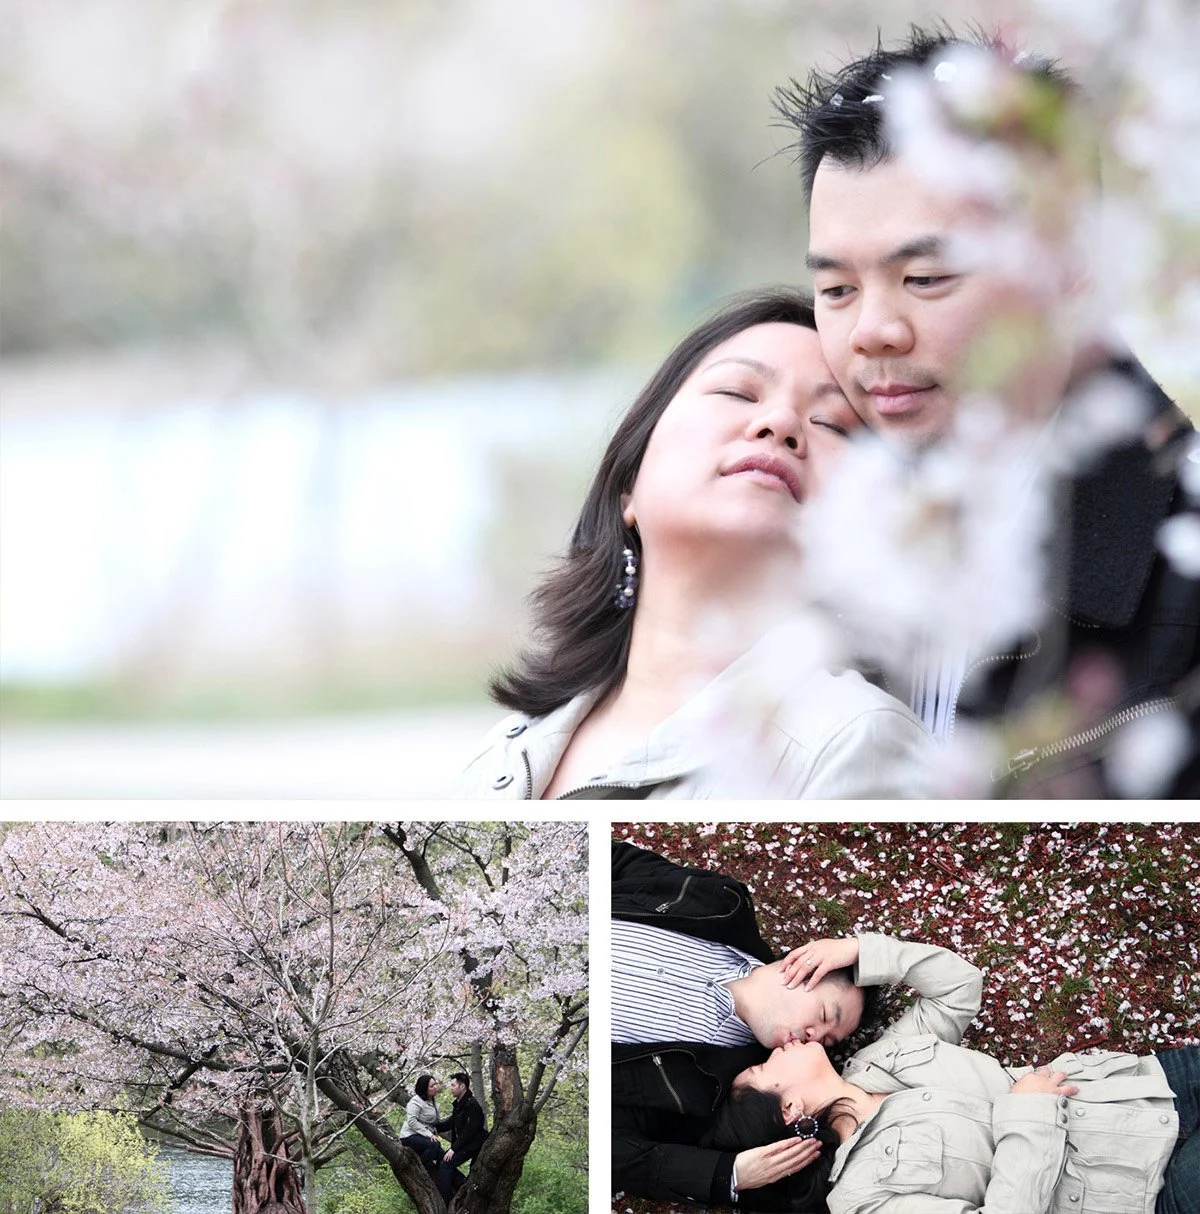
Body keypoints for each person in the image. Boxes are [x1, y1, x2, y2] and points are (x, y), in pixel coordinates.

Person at [772, 26, 1200, 795]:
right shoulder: (804, 524)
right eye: (836, 289)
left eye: (926, 278)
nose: (872, 330)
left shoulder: (1183, 560)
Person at [459, 288, 932, 798]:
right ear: (629, 483)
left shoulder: (856, 739)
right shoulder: (502, 759)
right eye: (737, 392)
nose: (780, 424)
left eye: (831, 423)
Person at [706, 934, 1198, 1214]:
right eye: (763, 1065)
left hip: (1144, 1089)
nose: (776, 1048)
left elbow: (959, 988)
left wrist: (860, 951)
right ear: (790, 1108)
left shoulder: (879, 1059)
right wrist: (1030, 1114)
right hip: (1148, 1184)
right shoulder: (860, 1198)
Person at [611, 842, 905, 1208]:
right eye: (825, 1016)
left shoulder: (718, 1091)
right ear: (805, 962)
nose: (815, 1039)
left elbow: (616, 1153)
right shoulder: (720, 902)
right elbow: (614, 859)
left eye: (828, 1041)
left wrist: (727, 1175)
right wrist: (860, 950)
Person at [434, 1071, 487, 1202]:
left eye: (453, 1085)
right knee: (442, 1160)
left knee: (446, 1164)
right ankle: (460, 1183)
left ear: (462, 1086)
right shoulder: (459, 1104)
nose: (451, 1088)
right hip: (465, 1144)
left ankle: (446, 1201)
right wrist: (432, 1127)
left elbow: (470, 1131)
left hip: (474, 1144)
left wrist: (454, 1149)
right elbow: (450, 1123)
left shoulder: (471, 1104)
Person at [399, 1073, 445, 1171]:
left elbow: (436, 1122)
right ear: (424, 1088)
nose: (435, 1087)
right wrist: (429, 1134)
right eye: (432, 1086)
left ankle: (457, 1178)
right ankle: (418, 1168)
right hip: (410, 1136)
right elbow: (412, 1121)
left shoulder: (433, 1101)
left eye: (435, 1084)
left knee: (444, 1156)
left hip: (424, 1138)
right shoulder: (415, 1102)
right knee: (435, 1144)